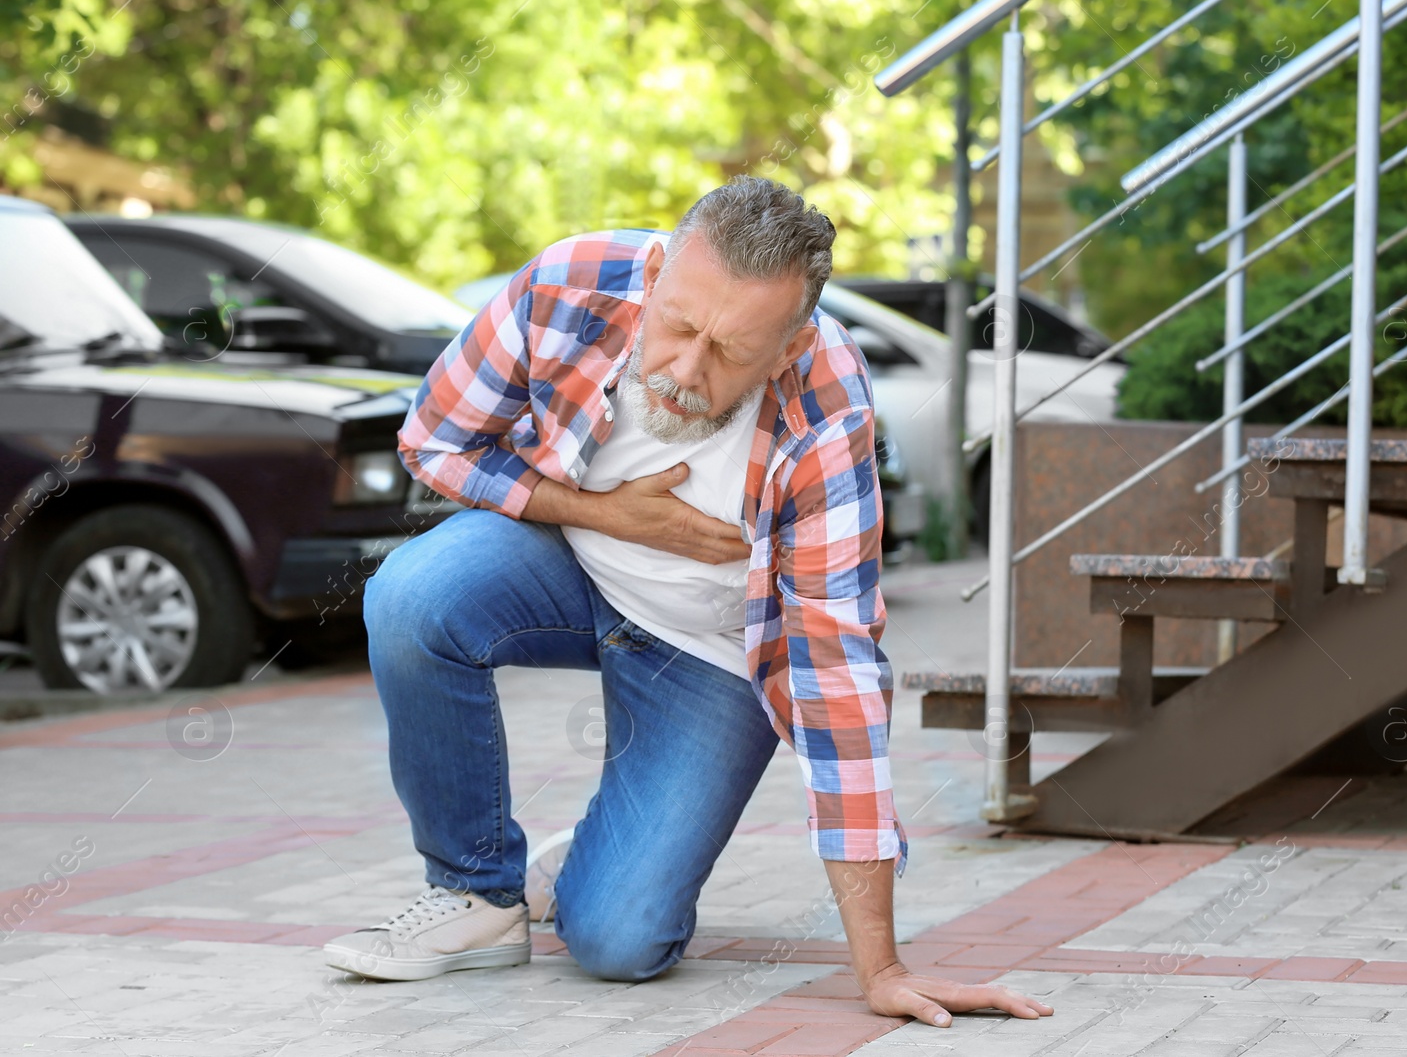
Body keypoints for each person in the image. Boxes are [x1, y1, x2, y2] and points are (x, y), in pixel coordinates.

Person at [322, 176, 1052, 1028]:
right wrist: (603, 514)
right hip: (566, 561)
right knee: (412, 595)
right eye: (678, 325)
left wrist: (881, 966)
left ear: (788, 346)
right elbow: (433, 440)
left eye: (731, 351)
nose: (684, 371)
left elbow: (836, 667)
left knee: (619, 943)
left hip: (710, 644)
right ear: (660, 271)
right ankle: (474, 893)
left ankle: (593, 866)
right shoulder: (569, 284)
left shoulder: (828, 406)